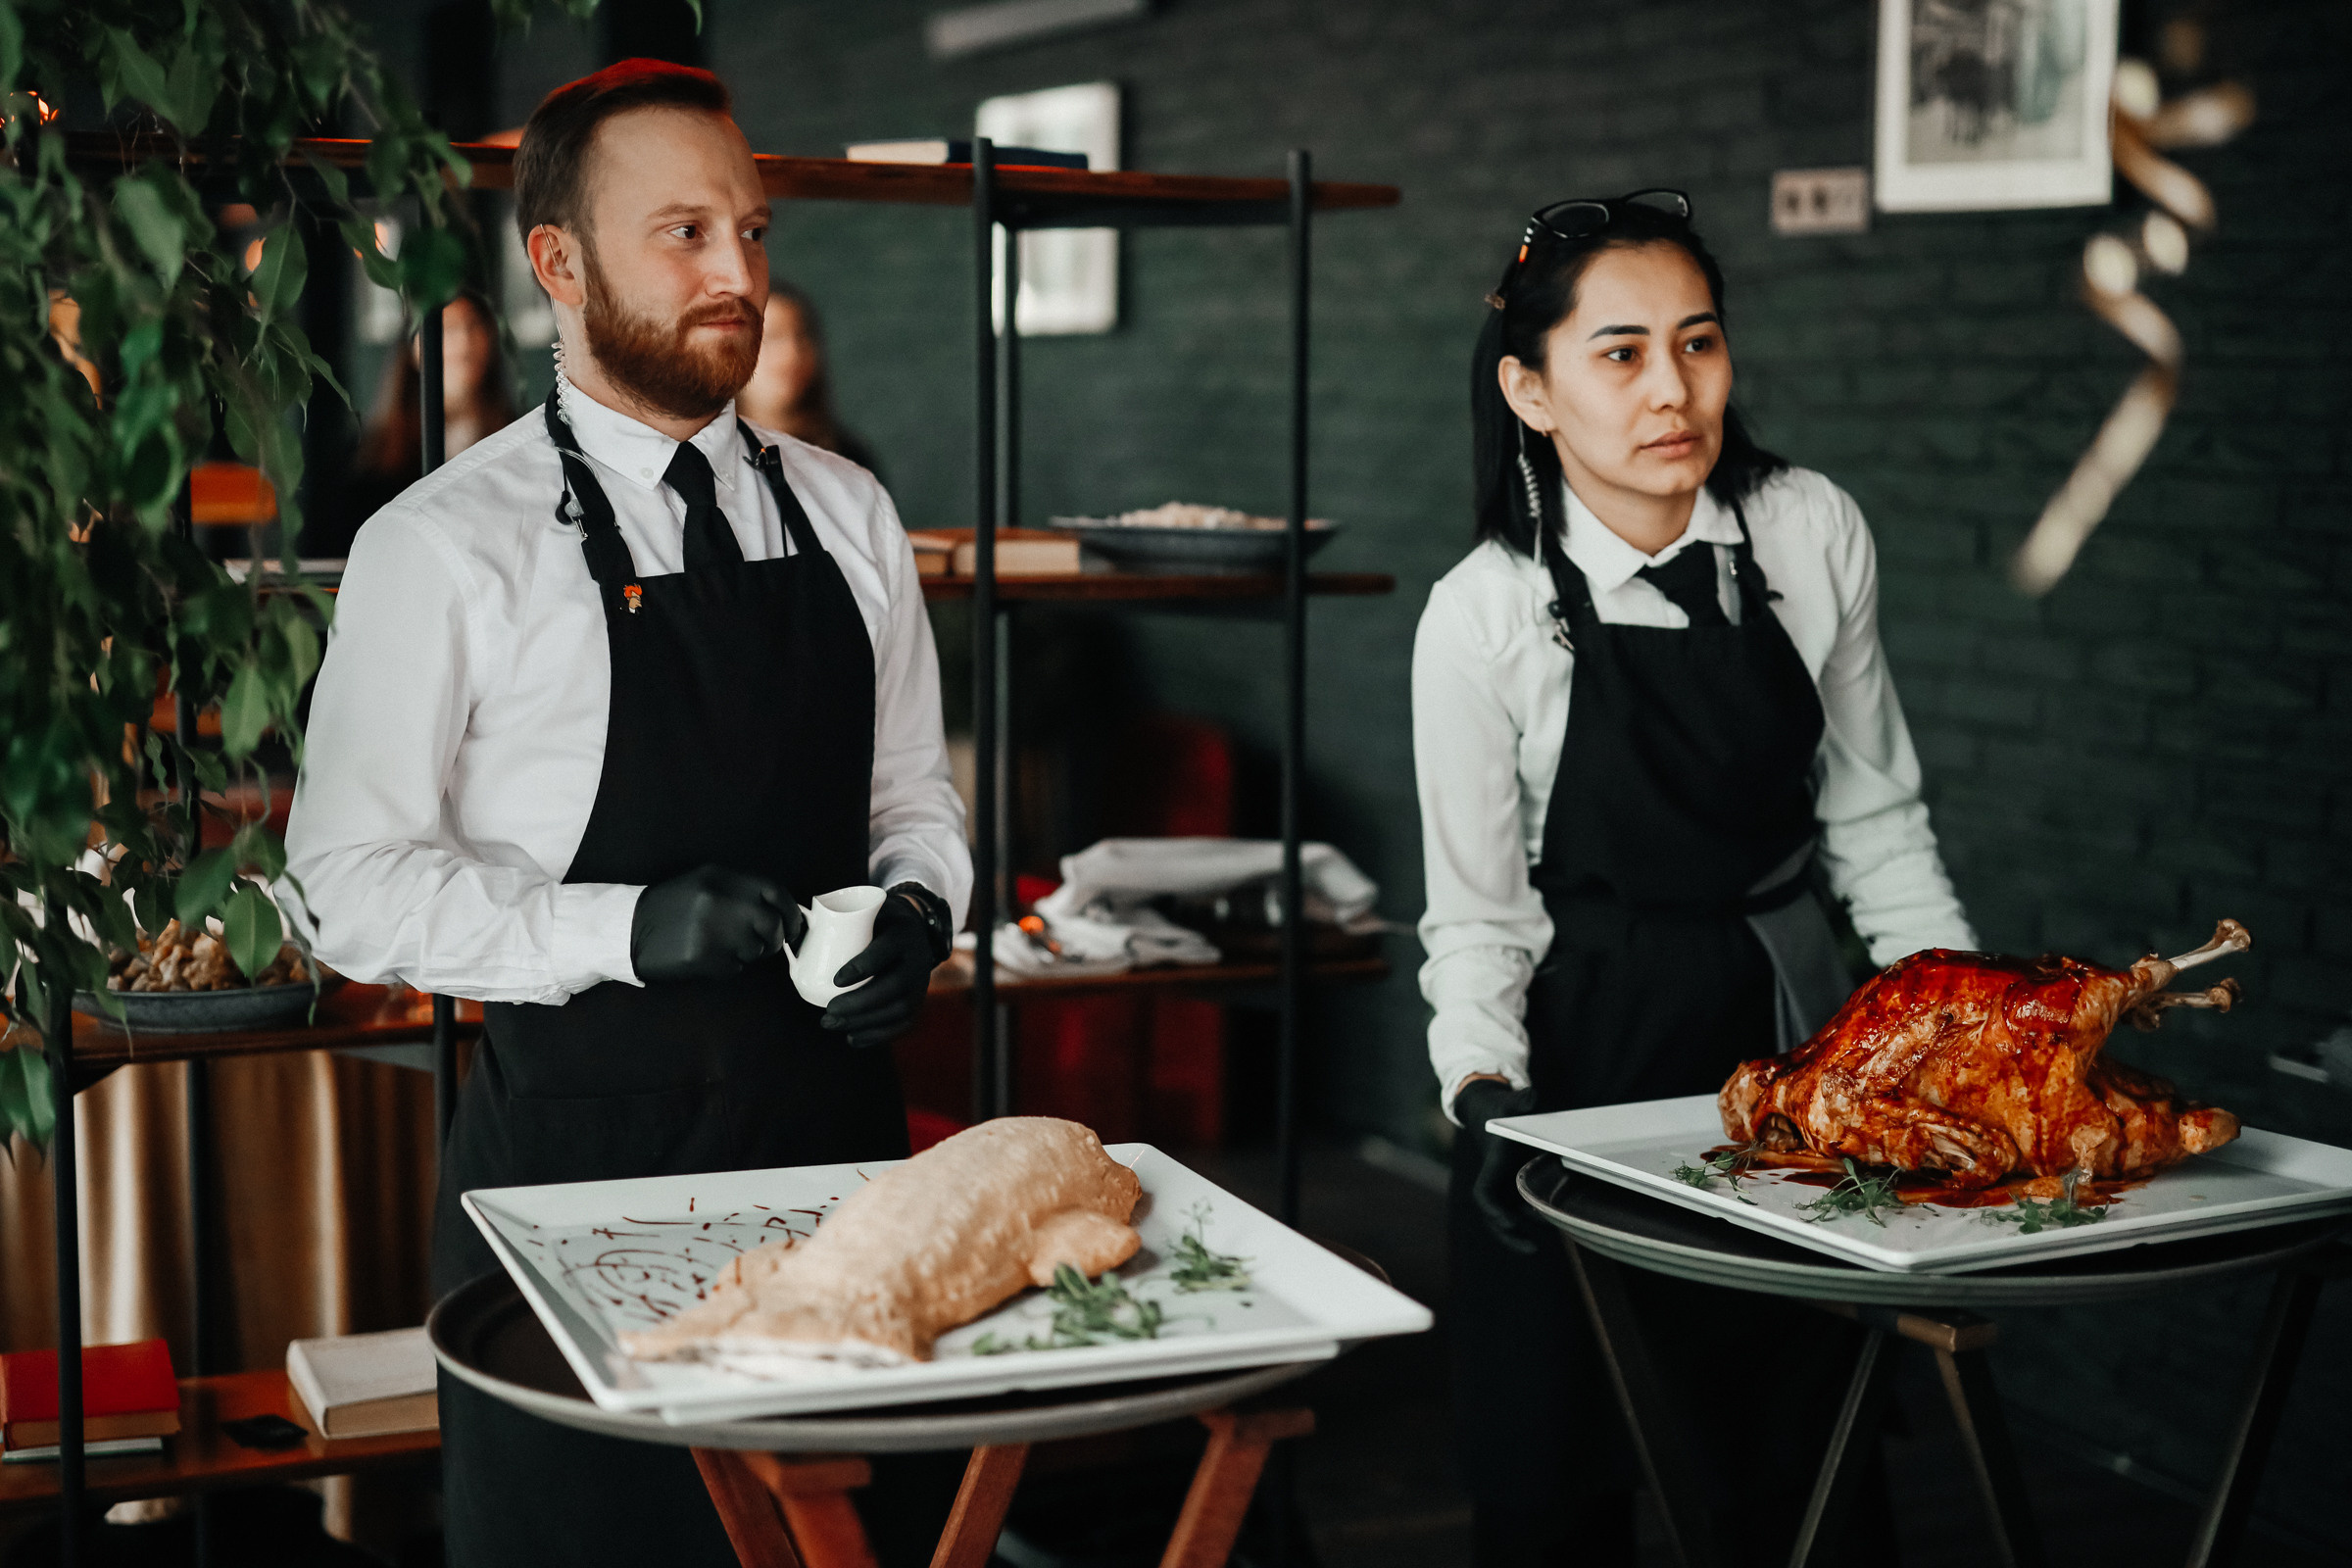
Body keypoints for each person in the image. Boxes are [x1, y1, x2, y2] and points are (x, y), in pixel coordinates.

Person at [284, 60, 969, 1567]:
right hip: (577, 1190)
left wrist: (923, 906)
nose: (737, 276)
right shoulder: (442, 546)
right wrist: (628, 927)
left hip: (843, 1169)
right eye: (685, 235)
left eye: (754, 231)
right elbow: (346, 884)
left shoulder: (849, 511)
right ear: (560, 264)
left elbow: (914, 794)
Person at [1413, 190, 1977, 1565]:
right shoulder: (1484, 613)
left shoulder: (1807, 527)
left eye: (1699, 342)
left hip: (1794, 1031)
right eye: (1619, 353)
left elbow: (1877, 816)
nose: (1672, 390)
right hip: (1583, 1043)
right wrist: (1483, 1093)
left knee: (1806, 1465)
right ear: (1529, 391)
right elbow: (1480, 909)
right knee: (1560, 1471)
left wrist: (1951, 1024)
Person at [327, 293, 517, 557]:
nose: (464, 341)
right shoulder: (370, 458)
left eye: (473, 326)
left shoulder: (517, 438)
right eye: (447, 328)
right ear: (414, 346)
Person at [735, 279, 883, 475]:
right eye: (771, 337)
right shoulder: (701, 455)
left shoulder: (847, 458)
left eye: (801, 337)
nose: (790, 355)